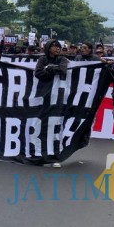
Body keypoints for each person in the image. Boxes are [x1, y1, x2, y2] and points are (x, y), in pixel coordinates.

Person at [34, 39, 69, 168]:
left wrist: (49, 69)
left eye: (59, 46)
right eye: (54, 46)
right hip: (43, 97)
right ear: (48, 48)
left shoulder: (62, 59)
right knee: (42, 126)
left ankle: (55, 156)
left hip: (58, 99)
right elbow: (38, 73)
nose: (57, 48)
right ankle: (41, 155)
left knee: (55, 128)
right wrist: (51, 70)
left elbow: (62, 70)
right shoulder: (42, 60)